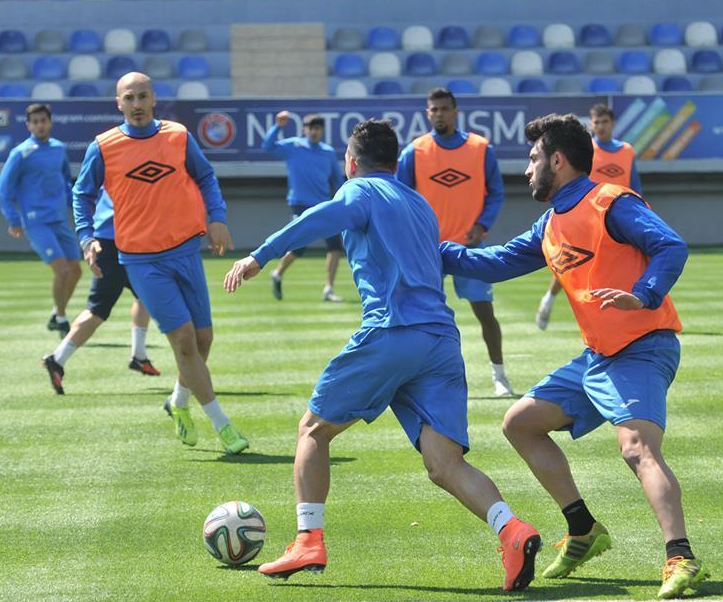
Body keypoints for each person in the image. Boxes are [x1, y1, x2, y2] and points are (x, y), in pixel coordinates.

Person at [224, 119, 542, 592]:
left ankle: (308, 540)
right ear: (396, 163)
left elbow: (316, 218)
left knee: (313, 430)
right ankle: (512, 531)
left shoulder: (359, 191)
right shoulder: (420, 203)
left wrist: (259, 256)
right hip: (441, 341)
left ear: (351, 163)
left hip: (393, 332)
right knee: (444, 463)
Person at [439, 113, 707, 599]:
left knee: (637, 449)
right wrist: (433, 249)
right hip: (598, 357)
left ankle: (681, 556)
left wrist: (643, 294)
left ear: (558, 161)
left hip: (643, 347)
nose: (527, 169)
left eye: (534, 158)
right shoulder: (551, 222)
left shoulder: (611, 202)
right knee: (520, 423)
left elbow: (670, 246)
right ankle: (583, 528)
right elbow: (496, 262)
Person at [72, 72, 249, 455]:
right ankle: (222, 425)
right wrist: (87, 238)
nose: (136, 104)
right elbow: (81, 194)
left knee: (203, 341)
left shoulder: (178, 136)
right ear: (118, 103)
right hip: (141, 260)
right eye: (129, 98)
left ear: (154, 99)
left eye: (142, 96)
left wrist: (216, 218)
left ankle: (178, 402)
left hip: (186, 251)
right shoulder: (104, 147)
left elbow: (206, 177)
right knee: (183, 340)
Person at [396, 87, 513, 397]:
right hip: (427, 251)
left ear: (455, 112)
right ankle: (419, 378)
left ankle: (499, 375)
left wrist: (482, 224)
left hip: (468, 249)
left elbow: (496, 193)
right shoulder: (415, 151)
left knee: (484, 312)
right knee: (421, 316)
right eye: (433, 109)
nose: (439, 114)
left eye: (444, 109)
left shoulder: (480, 148)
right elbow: (399, 197)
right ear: (427, 113)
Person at [41, 188, 161, 395]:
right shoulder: (120, 167)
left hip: (120, 238)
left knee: (145, 296)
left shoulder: (107, 167)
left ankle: (139, 356)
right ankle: (57, 359)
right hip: (119, 240)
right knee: (98, 310)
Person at [536, 104, 641, 330]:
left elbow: (635, 185)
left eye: (605, 122)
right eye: (596, 122)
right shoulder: (587, 151)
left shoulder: (627, 151)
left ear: (613, 124)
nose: (600, 126)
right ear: (591, 125)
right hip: (588, 216)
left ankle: (622, 313)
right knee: (570, 263)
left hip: (619, 218)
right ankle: (549, 299)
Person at [0, 103, 81, 337]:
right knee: (62, 270)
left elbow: (66, 181)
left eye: (43, 120)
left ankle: (55, 314)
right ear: (28, 125)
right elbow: (4, 188)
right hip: (36, 221)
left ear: (50, 122)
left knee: (75, 271)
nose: (40, 125)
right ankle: (62, 319)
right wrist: (13, 219)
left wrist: (75, 205)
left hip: (59, 219)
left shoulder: (58, 149)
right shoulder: (21, 153)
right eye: (35, 122)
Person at [263, 111, 346, 302]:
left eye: (318, 128)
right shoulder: (293, 146)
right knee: (298, 248)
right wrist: (277, 127)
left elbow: (336, 180)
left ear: (322, 130)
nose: (315, 132)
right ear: (304, 129)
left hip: (324, 206)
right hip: (300, 205)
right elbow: (268, 146)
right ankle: (278, 273)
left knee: (335, 247)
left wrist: (343, 200)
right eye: (311, 128)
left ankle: (328, 289)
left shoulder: (328, 152)